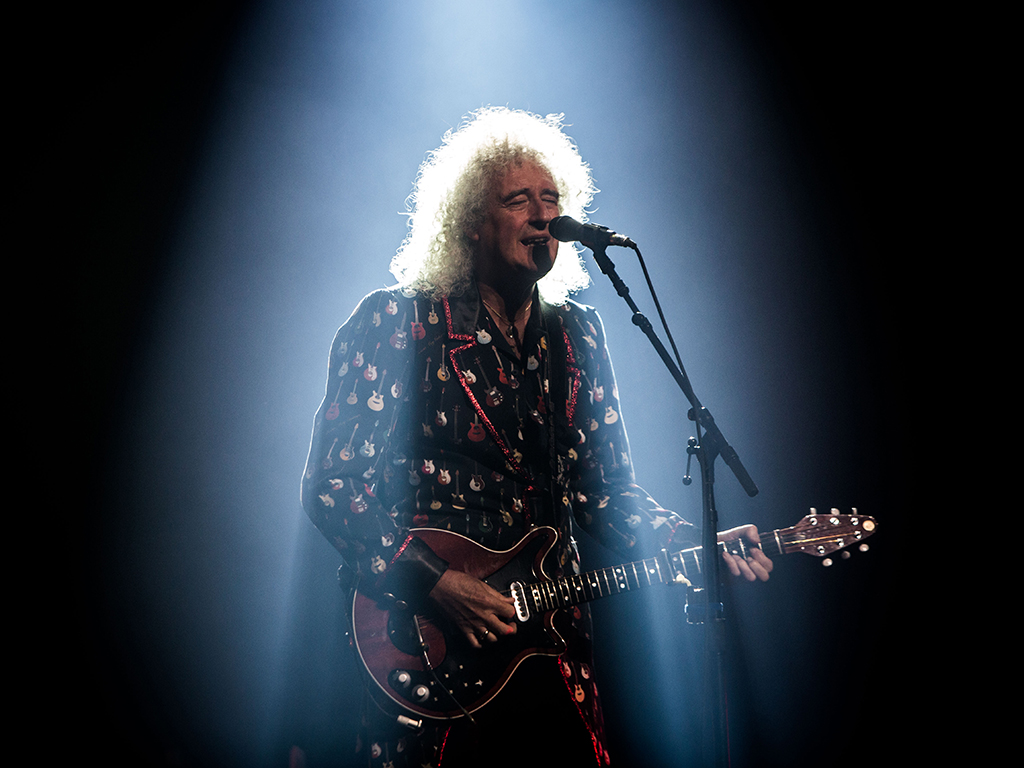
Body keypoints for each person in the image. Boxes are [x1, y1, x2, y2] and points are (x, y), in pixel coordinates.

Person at [301, 107, 772, 768]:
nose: (543, 215)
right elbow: (334, 486)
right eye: (518, 200)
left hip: (551, 648)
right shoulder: (397, 321)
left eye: (552, 199)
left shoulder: (578, 334)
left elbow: (606, 493)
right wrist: (434, 581)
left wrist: (694, 540)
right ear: (470, 221)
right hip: (427, 646)